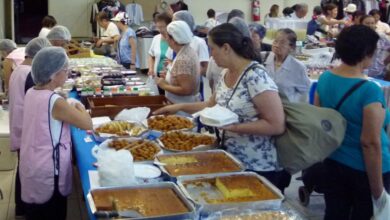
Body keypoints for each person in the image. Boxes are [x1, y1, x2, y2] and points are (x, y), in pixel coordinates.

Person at [155, 23, 289, 193]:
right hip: (229, 159)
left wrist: (234, 127)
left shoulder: (256, 76)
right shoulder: (226, 73)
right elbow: (210, 104)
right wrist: (178, 107)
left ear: (226, 48)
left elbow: (276, 125)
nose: (211, 55)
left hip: (256, 166)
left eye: (212, 49)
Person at [315, 25, 390, 220]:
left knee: (334, 213)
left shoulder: (324, 79)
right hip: (365, 169)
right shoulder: (369, 91)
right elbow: (370, 143)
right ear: (366, 53)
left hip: (333, 161)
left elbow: (320, 121)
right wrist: (378, 190)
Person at [20, 47, 92, 220]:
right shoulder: (56, 101)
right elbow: (87, 123)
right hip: (49, 169)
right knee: (52, 213)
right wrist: (79, 106)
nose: (67, 74)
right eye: (65, 70)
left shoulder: (32, 91)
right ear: (53, 74)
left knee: (36, 214)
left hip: (33, 163)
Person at [8, 37, 51, 217]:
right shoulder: (30, 74)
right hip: (27, 127)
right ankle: (27, 207)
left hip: (19, 124)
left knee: (23, 167)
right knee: (28, 170)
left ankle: (21, 206)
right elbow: (38, 103)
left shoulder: (19, 70)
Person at [154, 20, 200, 104]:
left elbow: (186, 89)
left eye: (167, 36)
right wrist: (169, 76)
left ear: (174, 39)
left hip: (182, 108)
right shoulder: (186, 50)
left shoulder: (183, 59)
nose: (166, 39)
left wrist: (164, 85)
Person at [262, 28, 310, 103]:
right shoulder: (263, 57)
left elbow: (304, 93)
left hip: (288, 109)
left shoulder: (298, 67)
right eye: (275, 41)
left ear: (291, 47)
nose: (277, 45)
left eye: (282, 43)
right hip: (266, 106)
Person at [173, 11, 209, 76]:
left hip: (194, 82)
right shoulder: (174, 41)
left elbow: (204, 68)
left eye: (175, 23)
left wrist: (188, 76)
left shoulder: (199, 42)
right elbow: (170, 61)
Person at [360, 15, 390, 79]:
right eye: (367, 23)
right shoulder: (356, 37)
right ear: (361, 24)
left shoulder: (381, 36)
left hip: (378, 73)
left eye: (372, 23)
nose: (370, 25)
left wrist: (385, 62)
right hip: (359, 72)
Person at [148, 12, 173, 80]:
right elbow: (151, 55)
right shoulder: (156, 38)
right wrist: (151, 69)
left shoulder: (175, 40)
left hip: (170, 76)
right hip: (157, 75)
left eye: (162, 27)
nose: (160, 30)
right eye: (158, 27)